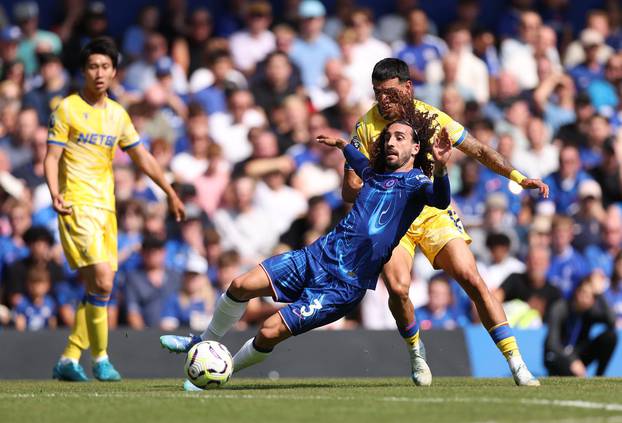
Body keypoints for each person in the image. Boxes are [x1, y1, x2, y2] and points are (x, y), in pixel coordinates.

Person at [161, 96, 453, 390]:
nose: (391, 142)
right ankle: (201, 341)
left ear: (416, 148)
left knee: (270, 330)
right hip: (314, 257)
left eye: (399, 138)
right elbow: (358, 158)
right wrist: (342, 146)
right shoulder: (374, 175)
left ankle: (223, 372)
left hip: (343, 286)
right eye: (388, 136)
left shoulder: (418, 185)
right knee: (239, 285)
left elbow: (440, 200)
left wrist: (440, 168)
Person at [342, 58, 545, 386]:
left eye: (390, 93)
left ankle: (516, 363)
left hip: (432, 212)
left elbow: (478, 150)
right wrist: (371, 179)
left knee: (471, 278)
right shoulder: (365, 127)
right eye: (378, 93)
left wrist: (520, 178)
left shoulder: (431, 118)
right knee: (397, 287)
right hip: (393, 219)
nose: (383, 101)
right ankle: (416, 352)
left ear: (408, 88)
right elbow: (347, 191)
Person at [44, 38, 185, 382]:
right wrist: (53, 192)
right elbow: (52, 156)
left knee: (99, 286)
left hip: (107, 208)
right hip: (75, 204)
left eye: (105, 67)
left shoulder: (118, 114)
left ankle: (68, 358)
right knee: (104, 278)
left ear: (114, 71)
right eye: (93, 66)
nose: (99, 73)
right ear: (83, 71)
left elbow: (142, 156)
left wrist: (168, 190)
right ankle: (102, 358)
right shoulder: (67, 109)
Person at [544, 278, 618, 377]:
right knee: (564, 367)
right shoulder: (560, 308)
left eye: (589, 296)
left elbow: (612, 322)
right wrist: (572, 360)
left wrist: (600, 294)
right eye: (582, 292)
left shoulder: (590, 312)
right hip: (557, 355)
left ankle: (599, 377)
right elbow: (552, 344)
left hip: (578, 354)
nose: (584, 297)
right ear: (576, 291)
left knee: (610, 337)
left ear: (593, 300)